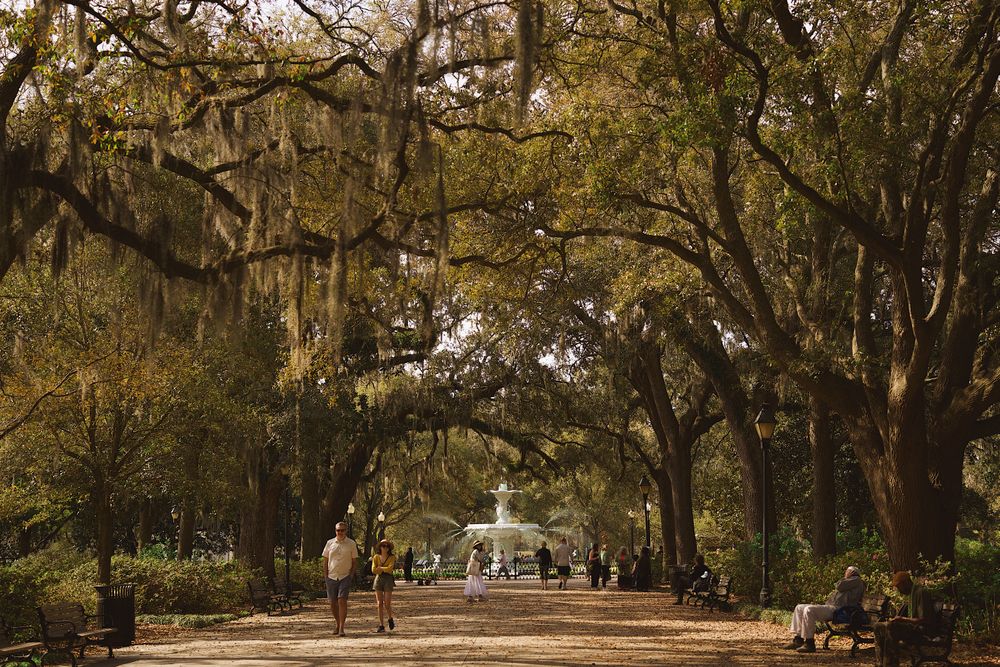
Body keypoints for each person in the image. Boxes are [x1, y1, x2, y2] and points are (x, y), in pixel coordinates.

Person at [785, 566, 865, 653]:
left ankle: (809, 643)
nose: (845, 573)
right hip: (832, 607)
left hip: (839, 610)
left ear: (853, 572)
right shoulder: (851, 581)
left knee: (809, 610)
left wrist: (846, 578)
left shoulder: (856, 580)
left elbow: (839, 585)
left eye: (847, 571)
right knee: (799, 607)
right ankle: (798, 640)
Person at [874, 571, 938, 667]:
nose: (899, 590)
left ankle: (890, 664)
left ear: (906, 583)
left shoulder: (921, 592)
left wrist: (902, 619)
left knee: (892, 626)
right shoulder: (911, 594)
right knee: (878, 626)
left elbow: (924, 620)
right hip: (913, 628)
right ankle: (880, 663)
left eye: (899, 587)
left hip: (922, 631)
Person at [321, 521, 357, 637]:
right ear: (335, 531)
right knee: (332, 603)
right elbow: (326, 560)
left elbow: (354, 561)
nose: (340, 532)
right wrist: (326, 575)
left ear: (346, 531)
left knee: (342, 600)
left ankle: (342, 627)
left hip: (344, 576)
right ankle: (337, 623)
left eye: (342, 530)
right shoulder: (329, 543)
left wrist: (351, 575)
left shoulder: (351, 544)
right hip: (331, 576)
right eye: (338, 530)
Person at [371, 539, 397, 633]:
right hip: (378, 579)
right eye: (383, 546)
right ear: (380, 547)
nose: (385, 548)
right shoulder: (376, 557)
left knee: (387, 603)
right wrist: (383, 569)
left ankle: (390, 618)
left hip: (388, 580)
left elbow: (390, 569)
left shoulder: (392, 557)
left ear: (389, 548)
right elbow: (373, 570)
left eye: (387, 546)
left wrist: (380, 568)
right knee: (379, 603)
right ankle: (381, 625)